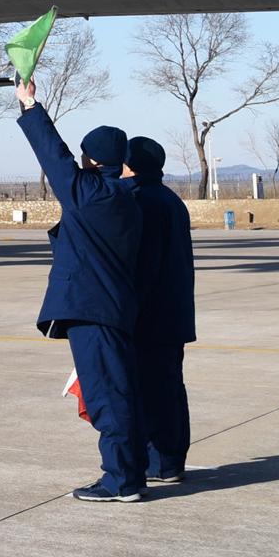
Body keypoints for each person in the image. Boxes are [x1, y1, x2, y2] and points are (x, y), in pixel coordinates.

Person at [14, 80, 146, 501]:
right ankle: (131, 473)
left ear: (90, 159)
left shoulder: (88, 195)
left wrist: (30, 104)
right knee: (119, 390)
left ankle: (120, 481)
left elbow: (53, 154)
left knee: (108, 395)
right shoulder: (127, 198)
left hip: (93, 311)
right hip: (115, 308)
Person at [124, 136, 195, 483]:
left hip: (150, 315)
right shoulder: (170, 199)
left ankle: (160, 461)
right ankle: (172, 459)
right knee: (169, 387)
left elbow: (145, 265)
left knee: (152, 391)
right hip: (174, 312)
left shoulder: (142, 200)